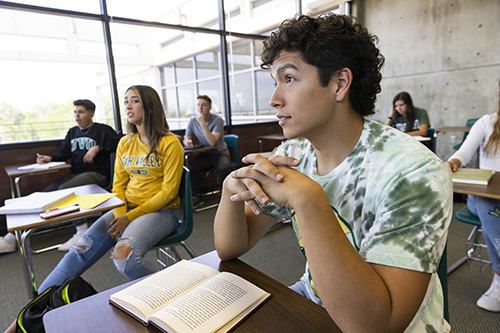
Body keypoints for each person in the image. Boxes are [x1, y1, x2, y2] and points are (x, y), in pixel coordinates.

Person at [214, 14, 452, 332]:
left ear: (339, 83)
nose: (274, 99)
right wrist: (232, 188)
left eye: (289, 79)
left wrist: (309, 199)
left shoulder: (415, 173)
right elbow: (230, 247)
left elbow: (375, 326)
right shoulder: (295, 153)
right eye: (275, 82)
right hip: (316, 300)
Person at [36, 99, 121, 251]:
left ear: (91, 114)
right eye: (75, 112)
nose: (77, 115)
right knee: (45, 194)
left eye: (81, 112)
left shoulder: (103, 130)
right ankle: (12, 239)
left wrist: (98, 148)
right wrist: (50, 158)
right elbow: (64, 152)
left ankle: (81, 233)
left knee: (66, 189)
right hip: (75, 173)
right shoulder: (72, 132)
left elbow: (120, 143)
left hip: (98, 174)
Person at [445, 80, 500, 312]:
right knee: (490, 209)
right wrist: (453, 162)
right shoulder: (487, 123)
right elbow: (463, 153)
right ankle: (499, 277)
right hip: (484, 198)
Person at [183, 95, 231, 208]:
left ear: (210, 107)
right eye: (198, 105)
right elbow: (186, 137)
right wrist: (187, 141)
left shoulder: (218, 120)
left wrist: (203, 124)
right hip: (205, 155)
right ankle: (197, 196)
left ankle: (228, 196)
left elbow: (212, 142)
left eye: (203, 105)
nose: (200, 108)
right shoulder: (192, 121)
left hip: (220, 153)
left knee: (224, 168)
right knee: (189, 169)